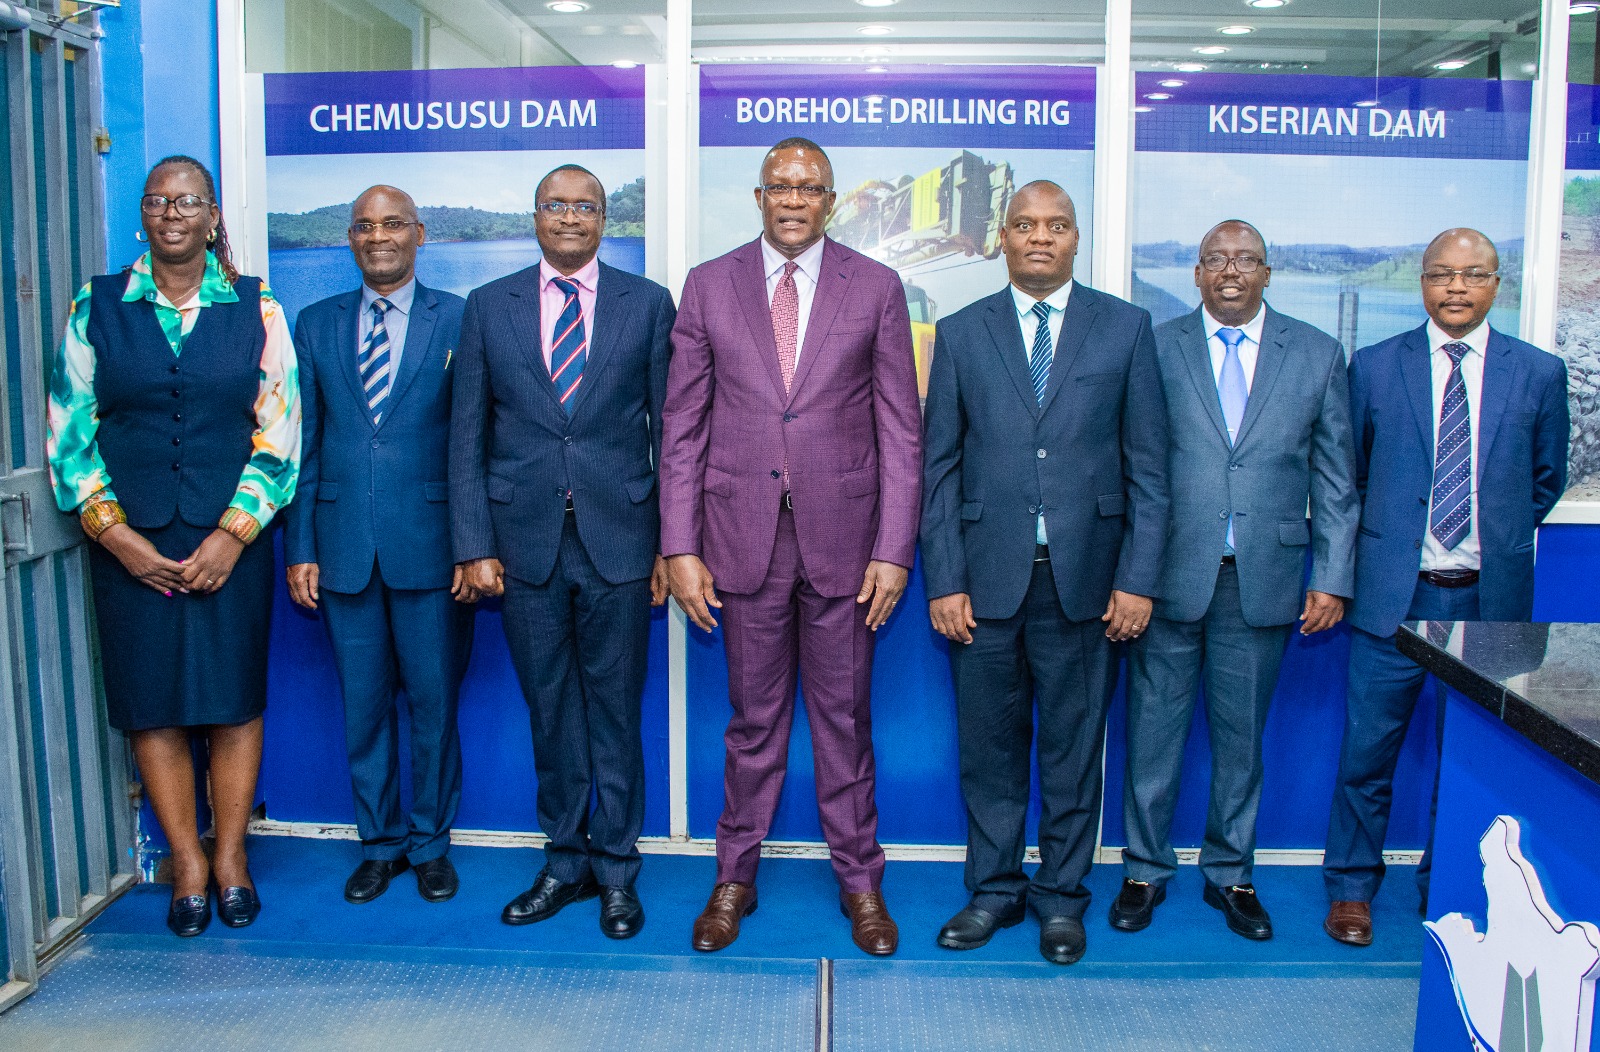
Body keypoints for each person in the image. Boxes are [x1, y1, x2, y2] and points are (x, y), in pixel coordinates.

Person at [660, 136, 921, 957]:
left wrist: (894, 549)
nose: (795, 199)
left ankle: (861, 883)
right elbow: (682, 427)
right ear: (760, 196)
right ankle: (733, 878)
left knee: (844, 722)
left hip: (847, 548)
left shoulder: (875, 287)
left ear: (831, 200)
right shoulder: (709, 285)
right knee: (753, 724)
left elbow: (900, 431)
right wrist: (679, 545)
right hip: (740, 545)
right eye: (781, 186)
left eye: (810, 188)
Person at [45, 155, 300, 937]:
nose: (172, 214)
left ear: (213, 216)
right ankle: (187, 862)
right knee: (150, 702)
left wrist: (233, 534)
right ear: (143, 217)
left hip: (231, 541)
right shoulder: (95, 305)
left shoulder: (258, 307)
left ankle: (231, 858)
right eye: (158, 201)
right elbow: (69, 432)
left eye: (188, 202)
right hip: (132, 543)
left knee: (233, 700)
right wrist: (114, 535)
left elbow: (280, 433)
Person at [921, 180, 1169, 965]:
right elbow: (938, 469)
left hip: (1088, 586)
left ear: (1075, 238)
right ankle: (994, 890)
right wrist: (944, 578)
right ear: (1002, 237)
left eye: (1055, 225)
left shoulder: (1125, 328)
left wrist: (1137, 579)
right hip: (984, 584)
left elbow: (1149, 470)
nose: (1039, 237)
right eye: (1024, 224)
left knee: (1073, 751)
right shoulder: (961, 332)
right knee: (989, 752)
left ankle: (1062, 897)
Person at [1322, 228, 1568, 947]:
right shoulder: (1374, 366)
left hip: (1490, 603)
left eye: (1472, 274)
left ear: (1497, 284)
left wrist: (1494, 529)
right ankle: (1351, 889)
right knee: (1367, 755)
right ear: (1423, 283)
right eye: (1441, 274)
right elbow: (1352, 475)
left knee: (1471, 759)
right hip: (1394, 599)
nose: (1456, 287)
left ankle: (1449, 883)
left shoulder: (1539, 373)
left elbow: (1544, 479)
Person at [1113, 220, 1358, 941]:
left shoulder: (1315, 354)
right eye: (1216, 260)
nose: (1230, 271)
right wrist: (1128, 573)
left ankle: (1231, 874)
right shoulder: (1155, 347)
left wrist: (1333, 576)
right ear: (1196, 273)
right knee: (1152, 736)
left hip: (1265, 578)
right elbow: (1128, 465)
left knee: (1242, 742)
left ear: (1267, 272)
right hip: (1165, 577)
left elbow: (1335, 481)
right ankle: (1144, 870)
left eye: (1246, 260)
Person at [451, 164, 675, 939]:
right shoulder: (489, 306)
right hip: (523, 547)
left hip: (622, 541)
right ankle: (565, 861)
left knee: (615, 713)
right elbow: (467, 436)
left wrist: (671, 546)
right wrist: (474, 543)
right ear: (536, 216)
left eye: (586, 206)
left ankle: (616, 871)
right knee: (549, 711)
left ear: (604, 219)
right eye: (557, 205)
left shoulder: (648, 304)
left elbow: (673, 434)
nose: (571, 217)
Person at [284, 185, 472, 906]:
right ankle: (379, 845)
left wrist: (473, 545)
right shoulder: (315, 323)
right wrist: (300, 546)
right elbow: (304, 446)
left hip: (433, 549)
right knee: (362, 709)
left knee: (434, 706)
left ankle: (430, 846)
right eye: (365, 226)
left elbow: (473, 443)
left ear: (419, 233)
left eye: (393, 224)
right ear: (350, 239)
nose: (379, 236)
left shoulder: (459, 317)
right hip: (341, 551)